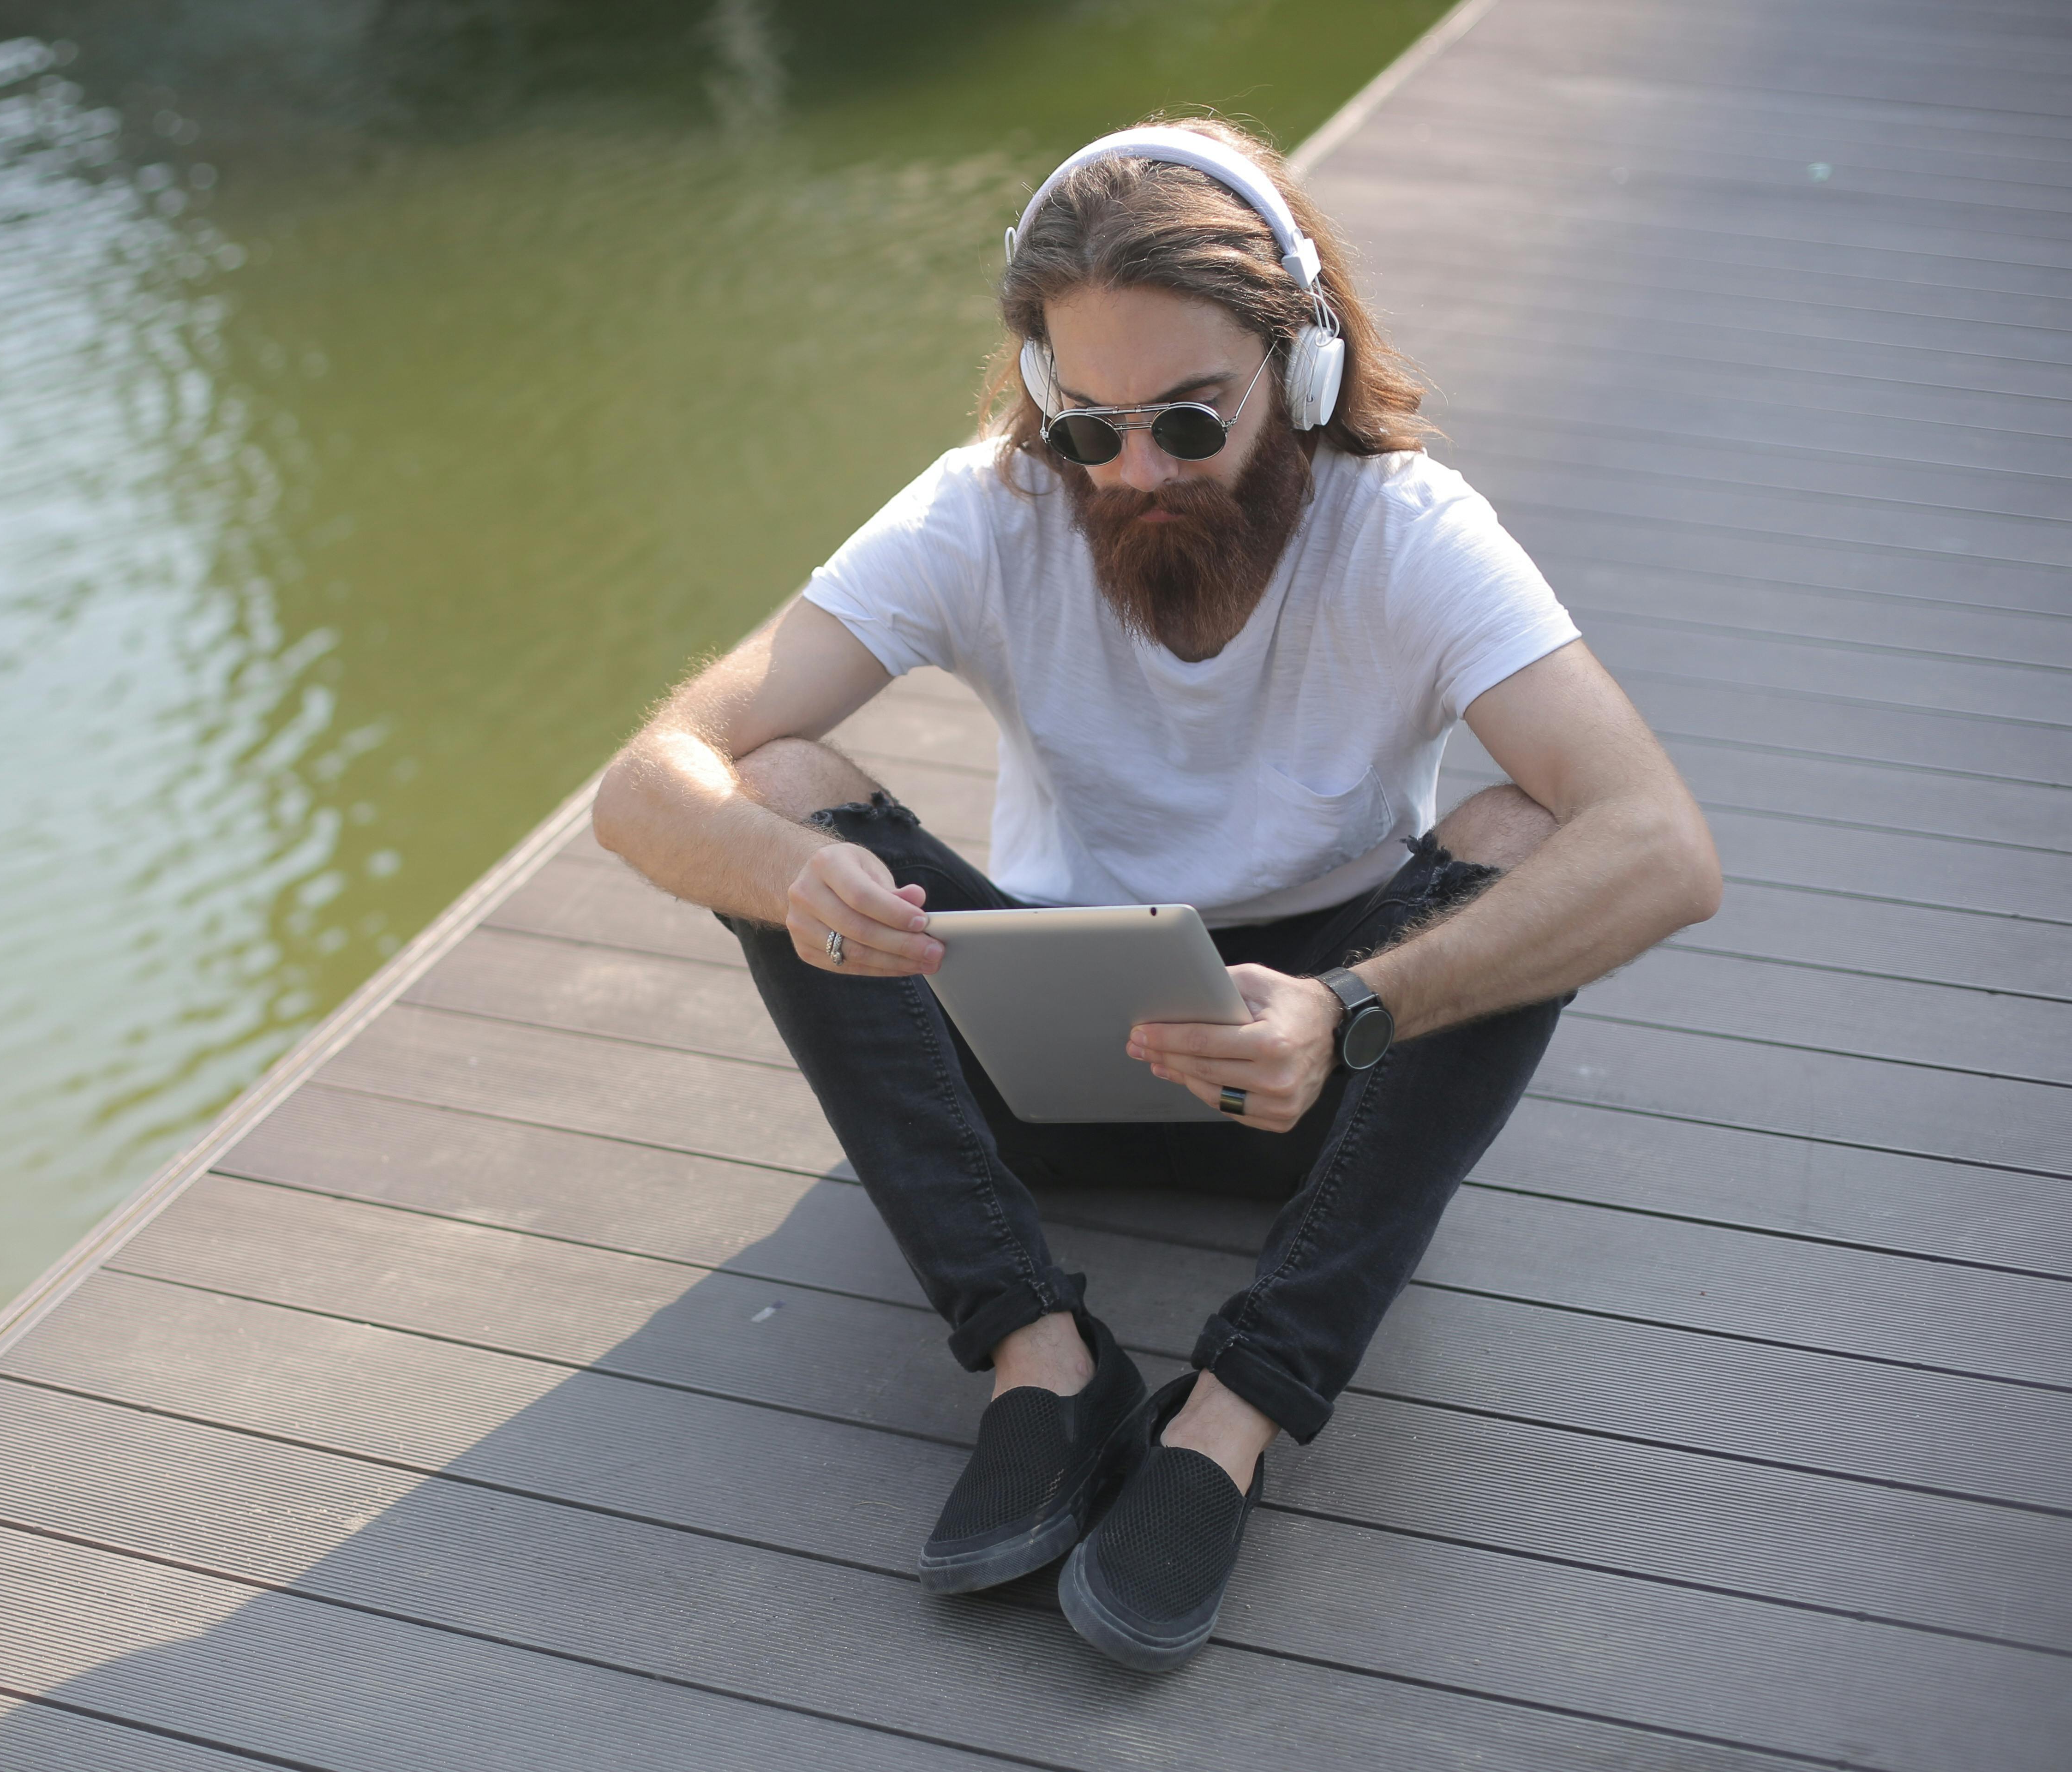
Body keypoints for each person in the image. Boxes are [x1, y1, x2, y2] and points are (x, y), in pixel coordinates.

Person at [589, 117, 1721, 1671]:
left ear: (1300, 367)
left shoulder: (1408, 532)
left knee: (1534, 830)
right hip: (1031, 1058)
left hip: (1318, 1078)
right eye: (1089, 426)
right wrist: (795, 874)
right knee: (777, 784)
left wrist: (1354, 1006)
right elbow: (654, 780)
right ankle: (1040, 1361)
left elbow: (1661, 844)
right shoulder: (987, 508)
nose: (1134, 472)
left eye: (1190, 422)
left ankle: (1235, 1414)